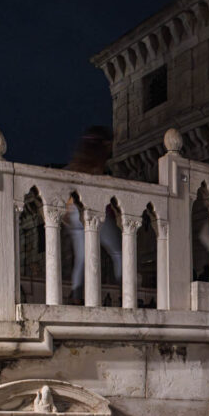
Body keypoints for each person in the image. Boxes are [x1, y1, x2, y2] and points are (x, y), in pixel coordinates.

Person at [64, 126, 122, 302]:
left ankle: (76, 294)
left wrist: (67, 211)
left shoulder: (77, 163)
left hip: (75, 213)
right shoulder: (96, 164)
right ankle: (125, 287)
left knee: (81, 257)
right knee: (118, 252)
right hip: (93, 210)